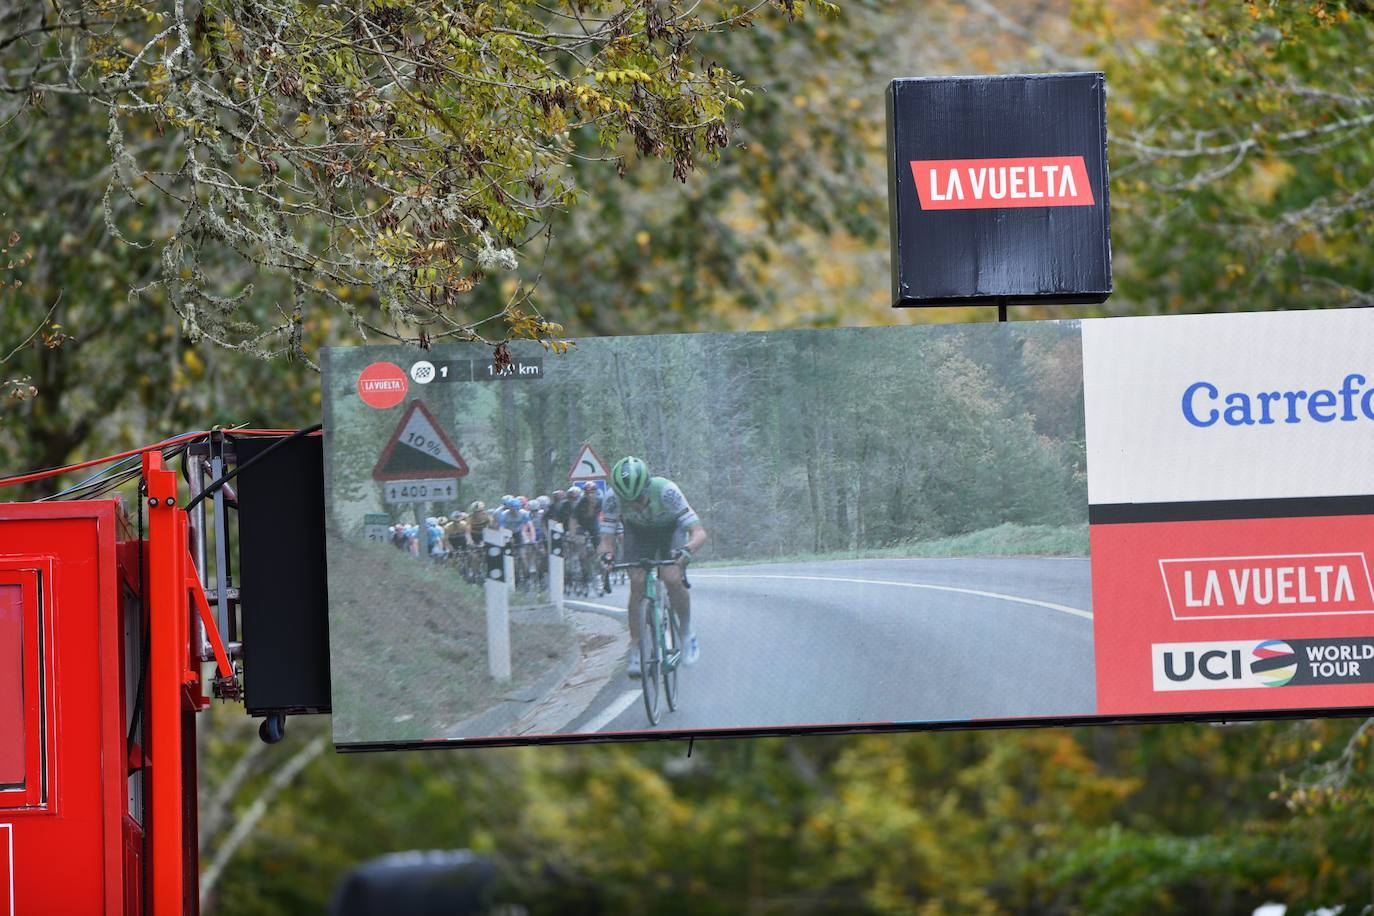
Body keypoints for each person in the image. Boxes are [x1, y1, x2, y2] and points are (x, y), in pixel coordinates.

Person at [599, 456, 707, 677]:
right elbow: (607, 541)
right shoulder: (611, 499)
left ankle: (686, 633)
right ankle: (636, 648)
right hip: (637, 533)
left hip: (670, 530)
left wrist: (686, 551)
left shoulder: (667, 491)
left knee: (671, 577)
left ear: (648, 487)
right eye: (627, 501)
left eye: (638, 498)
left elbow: (698, 532)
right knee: (637, 583)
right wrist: (606, 557)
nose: (634, 505)